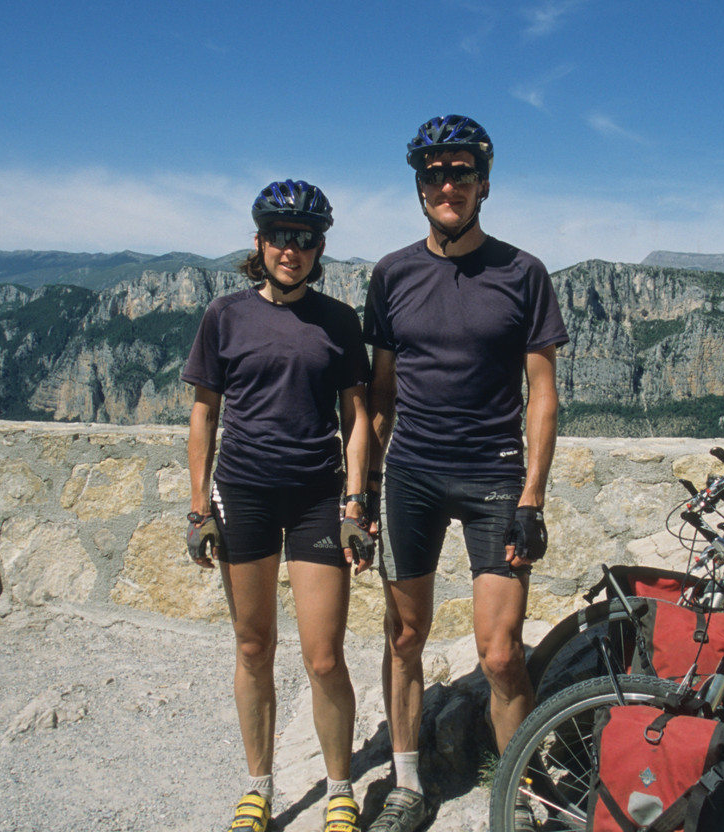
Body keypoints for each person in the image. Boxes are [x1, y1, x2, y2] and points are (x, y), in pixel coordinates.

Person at [362, 115, 568, 832]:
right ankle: (408, 784)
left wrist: (532, 497)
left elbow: (542, 393)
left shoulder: (522, 272)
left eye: (460, 173)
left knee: (501, 652)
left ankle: (520, 795)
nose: (446, 186)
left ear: (483, 183)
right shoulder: (391, 274)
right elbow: (379, 397)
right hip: (411, 475)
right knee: (404, 639)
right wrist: (360, 492)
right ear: (419, 187)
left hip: (493, 478)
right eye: (433, 174)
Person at [184, 180, 374, 832]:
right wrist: (196, 507)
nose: (291, 249)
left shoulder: (339, 320)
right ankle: (258, 788)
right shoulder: (225, 315)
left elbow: (357, 417)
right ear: (258, 242)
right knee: (253, 646)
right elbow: (203, 416)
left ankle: (339, 787)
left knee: (324, 655)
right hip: (242, 492)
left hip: (319, 496)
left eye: (305, 239)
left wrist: (356, 504)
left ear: (319, 247)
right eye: (278, 236)